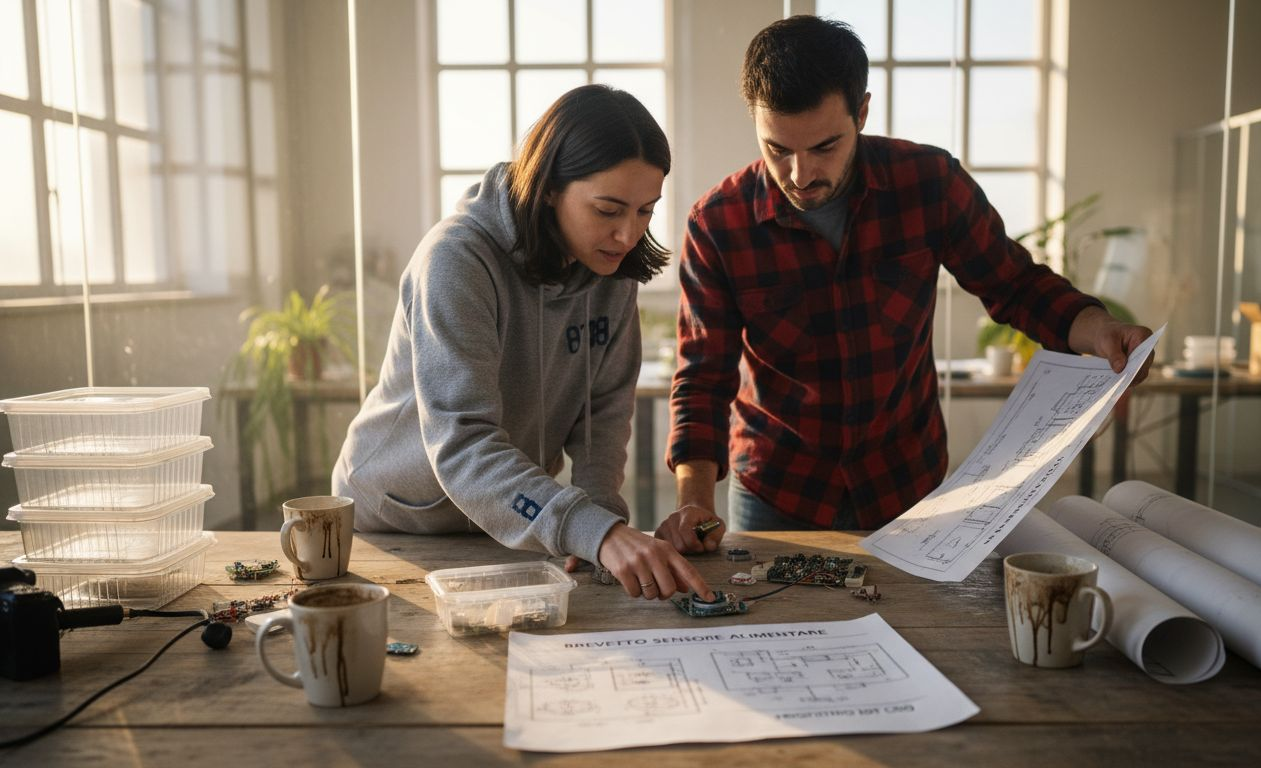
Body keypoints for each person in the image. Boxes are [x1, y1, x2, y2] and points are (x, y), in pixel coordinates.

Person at [655, 16, 1153, 549]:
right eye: (778, 149)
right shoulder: (718, 223)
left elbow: (1015, 285)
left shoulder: (929, 184)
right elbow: (703, 380)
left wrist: (1099, 329)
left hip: (904, 481)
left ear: (862, 112)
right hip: (778, 489)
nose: (800, 174)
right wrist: (694, 504)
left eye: (824, 147)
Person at [334, 84, 711, 601]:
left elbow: (603, 412)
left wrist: (600, 517)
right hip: (396, 524)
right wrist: (592, 531)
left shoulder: (611, 268)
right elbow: (463, 444)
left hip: (513, 521)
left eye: (645, 211)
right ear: (551, 186)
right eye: (608, 210)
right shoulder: (455, 261)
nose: (628, 235)